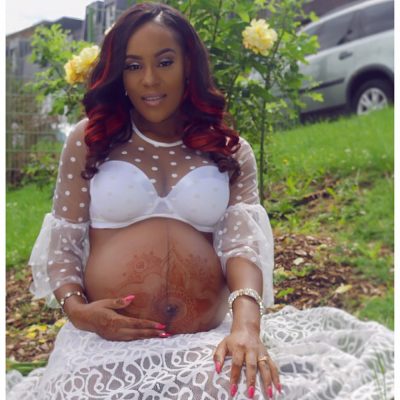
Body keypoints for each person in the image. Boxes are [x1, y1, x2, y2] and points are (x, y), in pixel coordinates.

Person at [6, 3, 394, 399]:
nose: (150, 79)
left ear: (188, 65)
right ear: (119, 74)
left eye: (165, 62)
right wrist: (79, 312)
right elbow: (64, 244)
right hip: (105, 343)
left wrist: (247, 328)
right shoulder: (90, 140)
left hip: (206, 344)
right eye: (133, 66)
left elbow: (242, 247)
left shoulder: (229, 150)